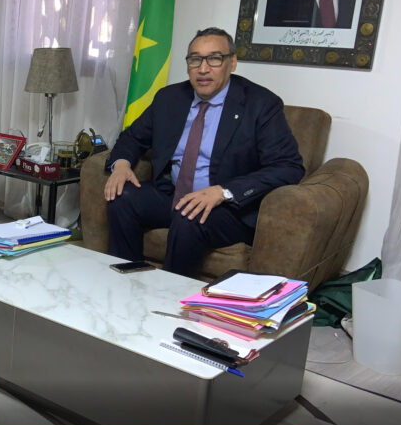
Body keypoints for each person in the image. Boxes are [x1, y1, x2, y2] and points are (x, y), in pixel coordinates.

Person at [103, 27, 304, 277]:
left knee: (190, 217)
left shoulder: (261, 104)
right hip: (173, 194)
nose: (203, 68)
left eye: (215, 59)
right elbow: (132, 137)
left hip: (226, 209)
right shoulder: (169, 98)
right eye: (195, 59)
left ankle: (170, 294)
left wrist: (224, 191)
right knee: (121, 197)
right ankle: (125, 280)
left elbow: (288, 167)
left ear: (232, 63)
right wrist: (121, 164)